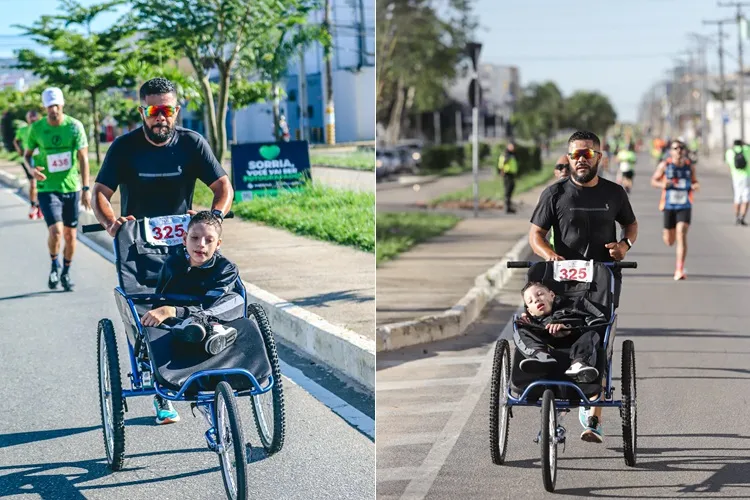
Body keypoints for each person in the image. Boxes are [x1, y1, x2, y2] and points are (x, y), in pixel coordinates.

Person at [91, 76, 234, 423]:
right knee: (148, 310)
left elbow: (223, 187)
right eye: (153, 111)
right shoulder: (125, 148)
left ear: (176, 110)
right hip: (139, 246)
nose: (161, 118)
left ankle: (208, 366)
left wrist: (212, 218)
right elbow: (98, 192)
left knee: (197, 302)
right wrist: (112, 223)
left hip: (183, 243)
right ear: (142, 111)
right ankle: (161, 387)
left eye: (167, 110)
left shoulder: (191, 144)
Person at [528, 130, 638, 443]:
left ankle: (593, 416)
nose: (580, 159)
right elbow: (536, 234)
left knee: (600, 341)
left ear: (599, 157)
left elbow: (631, 224)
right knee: (557, 340)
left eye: (587, 154)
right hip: (563, 281)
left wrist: (624, 245)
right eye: (575, 154)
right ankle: (554, 413)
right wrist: (549, 254)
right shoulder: (555, 194)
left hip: (603, 281)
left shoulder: (614, 193)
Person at [139, 211, 245, 424]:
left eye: (209, 240)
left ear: (218, 243)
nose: (201, 245)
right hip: (178, 325)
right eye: (194, 238)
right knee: (178, 323)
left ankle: (210, 330)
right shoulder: (173, 264)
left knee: (236, 299)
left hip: (212, 317)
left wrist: (178, 311)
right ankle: (162, 395)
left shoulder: (226, 268)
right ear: (184, 239)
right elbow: (160, 303)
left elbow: (213, 305)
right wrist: (169, 312)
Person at [24, 88, 91, 291]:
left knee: (71, 236)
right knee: (56, 231)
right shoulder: (36, 128)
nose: (53, 109)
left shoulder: (74, 126)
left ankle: (65, 272)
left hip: (71, 187)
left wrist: (86, 187)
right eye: (49, 106)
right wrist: (31, 170)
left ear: (62, 105)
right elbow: (27, 155)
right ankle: (54, 264)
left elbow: (83, 158)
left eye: (56, 105)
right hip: (47, 188)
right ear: (45, 108)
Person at [516, 282, 609, 383]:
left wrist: (569, 331)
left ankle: (579, 363)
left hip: (578, 343)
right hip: (548, 349)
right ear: (530, 311)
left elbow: (600, 325)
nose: (536, 300)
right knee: (520, 332)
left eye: (539, 294)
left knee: (592, 334)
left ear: (552, 295)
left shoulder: (577, 303)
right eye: (530, 301)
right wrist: (526, 326)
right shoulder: (532, 323)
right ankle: (540, 357)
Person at [650, 139, 700, 281]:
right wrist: (662, 184)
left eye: (681, 148)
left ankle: (679, 269)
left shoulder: (690, 167)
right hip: (669, 206)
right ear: (671, 151)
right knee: (670, 241)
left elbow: (695, 181)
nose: (679, 150)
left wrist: (696, 185)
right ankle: (666, 232)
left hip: (684, 205)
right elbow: (653, 181)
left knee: (681, 234)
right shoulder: (665, 165)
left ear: (684, 151)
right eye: (675, 148)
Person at [14, 110, 42, 219]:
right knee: (33, 184)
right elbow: (16, 141)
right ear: (27, 119)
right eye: (31, 116)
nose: (33, 118)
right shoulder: (23, 130)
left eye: (34, 116)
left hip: (40, 158)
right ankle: (33, 205)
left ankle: (39, 206)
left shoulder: (42, 129)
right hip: (28, 159)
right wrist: (19, 150)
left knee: (41, 183)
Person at [725, 139, 750, 225]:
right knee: (746, 197)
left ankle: (736, 217)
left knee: (737, 197)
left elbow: (728, 164)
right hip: (746, 176)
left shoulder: (729, 152)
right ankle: (742, 217)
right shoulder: (746, 149)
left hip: (735, 177)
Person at [498, 142, 518, 214]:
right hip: (507, 174)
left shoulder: (511, 154)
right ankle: (507, 207)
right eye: (512, 146)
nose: (514, 148)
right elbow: (503, 163)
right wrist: (502, 171)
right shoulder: (507, 154)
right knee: (507, 191)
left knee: (510, 190)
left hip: (511, 174)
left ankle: (509, 207)